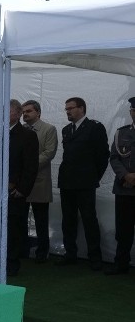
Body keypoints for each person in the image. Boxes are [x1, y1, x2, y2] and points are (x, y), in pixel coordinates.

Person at [0, 99, 39, 277]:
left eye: (9, 111)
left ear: (19, 113)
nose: (4, 115)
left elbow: (30, 166)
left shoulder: (27, 136)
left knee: (13, 229)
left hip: (14, 191)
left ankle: (11, 263)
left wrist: (22, 189)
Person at [57, 97, 109, 271]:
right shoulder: (66, 130)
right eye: (66, 109)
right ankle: (70, 253)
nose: (68, 111)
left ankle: (95, 257)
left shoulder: (94, 127)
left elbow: (102, 156)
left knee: (89, 220)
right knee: (68, 220)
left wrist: (93, 177)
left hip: (85, 183)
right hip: (67, 182)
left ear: (82, 108)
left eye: (70, 108)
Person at [21, 99, 59, 263]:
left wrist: (28, 167)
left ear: (38, 112)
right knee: (20, 218)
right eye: (23, 112)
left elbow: (49, 153)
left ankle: (42, 252)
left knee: (41, 220)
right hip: (21, 182)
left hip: (39, 181)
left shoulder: (48, 129)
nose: (25, 114)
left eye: (28, 111)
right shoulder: (20, 130)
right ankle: (22, 249)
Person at [106, 97, 135, 276]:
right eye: (134, 110)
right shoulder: (121, 133)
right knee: (123, 230)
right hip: (124, 188)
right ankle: (121, 263)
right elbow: (114, 157)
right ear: (131, 112)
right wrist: (126, 175)